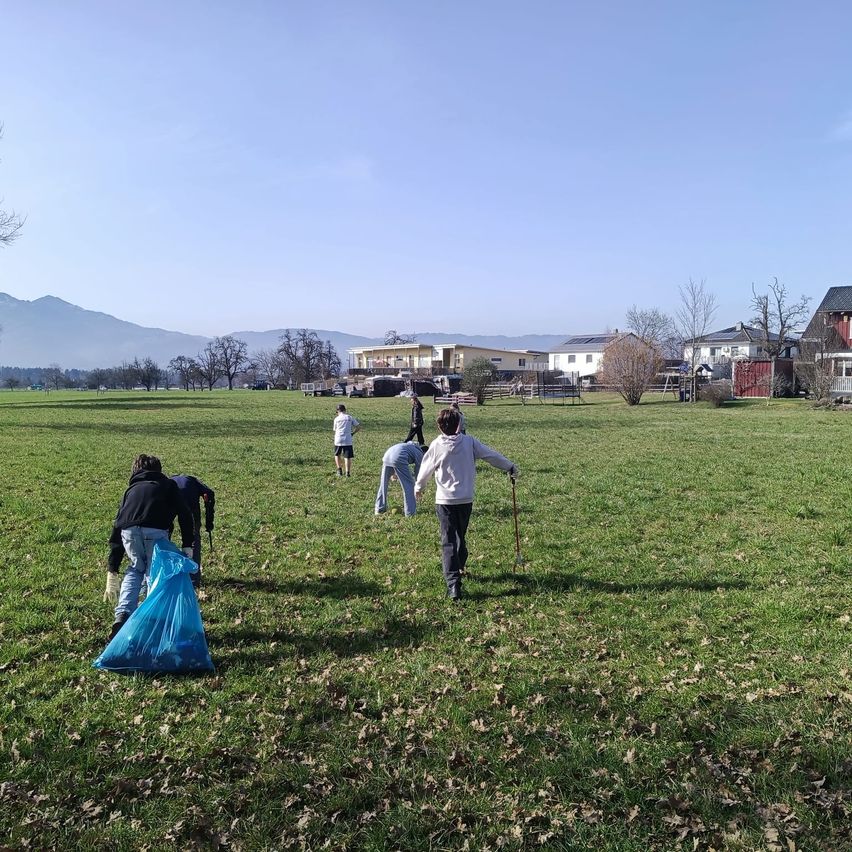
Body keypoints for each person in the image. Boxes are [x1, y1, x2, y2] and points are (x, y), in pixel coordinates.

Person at [414, 408, 518, 601]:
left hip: (445, 501)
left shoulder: (436, 445)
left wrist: (419, 487)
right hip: (465, 500)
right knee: (458, 536)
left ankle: (453, 583)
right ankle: (457, 574)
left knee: (449, 541)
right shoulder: (469, 442)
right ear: (459, 425)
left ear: (439, 426)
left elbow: (425, 467)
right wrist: (509, 465)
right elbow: (490, 455)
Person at [104, 454, 195, 640]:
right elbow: (185, 514)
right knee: (153, 571)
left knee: (136, 568)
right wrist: (187, 545)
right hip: (155, 531)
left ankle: (122, 614)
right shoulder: (168, 485)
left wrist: (112, 568)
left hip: (128, 533)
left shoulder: (130, 490)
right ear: (159, 470)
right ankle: (152, 617)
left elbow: (117, 525)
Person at [170, 474, 215, 588]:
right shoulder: (195, 481)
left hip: (172, 500)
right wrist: (209, 523)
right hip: (190, 502)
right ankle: (193, 579)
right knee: (194, 538)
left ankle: (168, 574)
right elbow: (209, 494)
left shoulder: (169, 480)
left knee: (164, 536)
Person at [375, 442, 426, 517]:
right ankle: (410, 513)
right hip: (398, 457)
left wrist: (395, 473)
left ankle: (379, 509)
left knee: (383, 484)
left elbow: (397, 455)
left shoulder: (409, 446)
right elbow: (418, 472)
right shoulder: (420, 454)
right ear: (425, 452)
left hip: (387, 455)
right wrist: (418, 487)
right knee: (409, 486)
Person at [333, 403, 361, 477]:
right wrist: (352, 433)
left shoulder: (336, 419)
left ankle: (339, 471)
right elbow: (358, 427)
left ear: (338, 411)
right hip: (347, 439)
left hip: (338, 439)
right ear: (345, 410)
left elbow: (335, 430)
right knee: (347, 457)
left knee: (337, 455)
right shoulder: (349, 417)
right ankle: (347, 473)